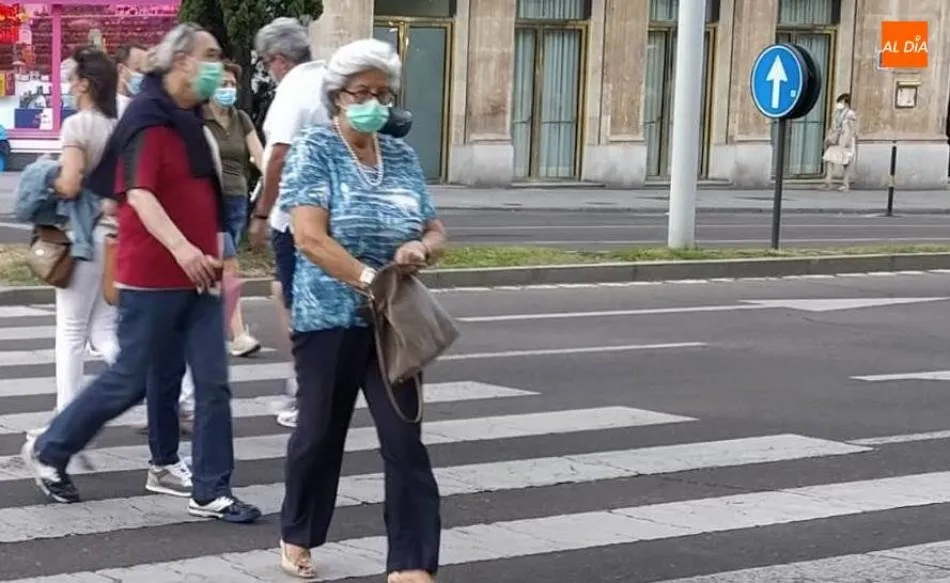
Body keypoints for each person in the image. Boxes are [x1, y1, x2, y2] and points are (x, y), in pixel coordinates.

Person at [21, 23, 261, 524]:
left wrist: (216, 254)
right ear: (181, 63)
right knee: (132, 379)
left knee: (212, 383)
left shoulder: (189, 120)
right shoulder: (151, 121)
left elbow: (206, 197)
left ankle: (211, 488)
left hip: (199, 275)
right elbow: (139, 193)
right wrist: (182, 249)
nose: (219, 65)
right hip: (152, 276)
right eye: (210, 55)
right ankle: (50, 447)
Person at [276, 38, 447, 582]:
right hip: (328, 316)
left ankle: (412, 562)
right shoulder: (314, 148)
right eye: (362, 93)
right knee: (320, 433)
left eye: (383, 93)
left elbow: (433, 226)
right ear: (337, 98)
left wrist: (421, 248)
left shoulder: (400, 154)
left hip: (392, 321)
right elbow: (309, 237)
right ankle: (298, 531)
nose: (374, 102)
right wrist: (369, 279)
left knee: (404, 440)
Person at [249, 17, 329, 429]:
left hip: (293, 215)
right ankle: (307, 386)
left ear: (279, 59)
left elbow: (277, 156)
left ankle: (306, 393)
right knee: (290, 293)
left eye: (264, 61)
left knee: (295, 302)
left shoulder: (293, 90)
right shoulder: (330, 79)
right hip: (330, 209)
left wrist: (262, 212)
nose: (264, 69)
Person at [205, 60, 263, 357]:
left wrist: (270, 175)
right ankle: (239, 335)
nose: (228, 89)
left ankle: (204, 327)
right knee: (230, 265)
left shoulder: (241, 119)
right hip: (208, 201)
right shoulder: (199, 118)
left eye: (231, 84)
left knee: (218, 268)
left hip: (237, 200)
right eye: (222, 84)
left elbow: (259, 155)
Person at [822, 92, 858, 192]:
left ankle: (845, 184)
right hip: (837, 139)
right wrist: (829, 137)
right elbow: (834, 126)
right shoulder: (837, 113)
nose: (839, 104)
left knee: (846, 162)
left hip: (845, 140)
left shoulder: (850, 114)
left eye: (841, 102)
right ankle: (828, 181)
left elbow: (853, 128)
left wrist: (849, 141)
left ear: (846, 103)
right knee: (829, 157)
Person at [114, 44, 147, 117]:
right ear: (121, 69)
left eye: (146, 74)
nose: (144, 77)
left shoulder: (147, 109)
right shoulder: (105, 108)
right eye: (139, 71)